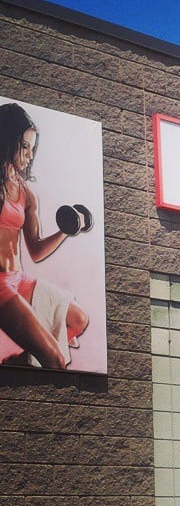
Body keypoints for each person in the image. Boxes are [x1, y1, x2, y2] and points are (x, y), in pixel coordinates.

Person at [0, 102, 89, 369]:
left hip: (18, 278)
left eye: (33, 148)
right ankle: (33, 357)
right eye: (24, 146)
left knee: (79, 319)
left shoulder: (26, 193)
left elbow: (36, 250)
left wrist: (66, 231)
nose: (29, 155)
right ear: (7, 140)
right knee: (55, 360)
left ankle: (21, 361)